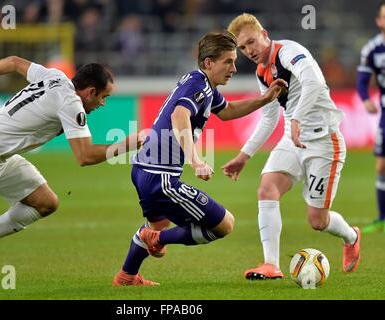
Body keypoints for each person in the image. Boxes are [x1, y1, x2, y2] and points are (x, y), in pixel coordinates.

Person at [0, 56, 140, 276]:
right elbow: (85, 156)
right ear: (90, 92)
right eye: (103, 97)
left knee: (45, 202)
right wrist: (129, 143)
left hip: (1, 158)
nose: (103, 104)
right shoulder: (70, 104)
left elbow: (14, 61)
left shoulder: (55, 76)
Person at [112, 31, 287, 286]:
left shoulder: (203, 84)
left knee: (159, 224)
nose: (234, 68)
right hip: (160, 176)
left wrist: (264, 99)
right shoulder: (198, 85)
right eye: (228, 61)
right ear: (208, 63)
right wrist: (196, 160)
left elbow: (226, 111)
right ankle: (155, 239)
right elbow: (179, 116)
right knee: (224, 225)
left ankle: (127, 275)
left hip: (143, 169)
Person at [223, 13, 360, 280]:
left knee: (317, 221)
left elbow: (314, 82)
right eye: (242, 48)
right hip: (291, 139)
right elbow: (270, 117)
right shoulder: (262, 72)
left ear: (264, 34)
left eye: (251, 42)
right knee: (266, 188)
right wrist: (244, 155)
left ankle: (351, 236)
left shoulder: (290, 52)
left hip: (323, 140)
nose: (249, 51)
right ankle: (271, 265)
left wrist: (297, 117)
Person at [357, 2, 385, 234]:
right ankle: (383, 218)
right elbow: (362, 80)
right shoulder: (372, 49)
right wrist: (365, 99)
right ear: (378, 21)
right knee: (382, 165)